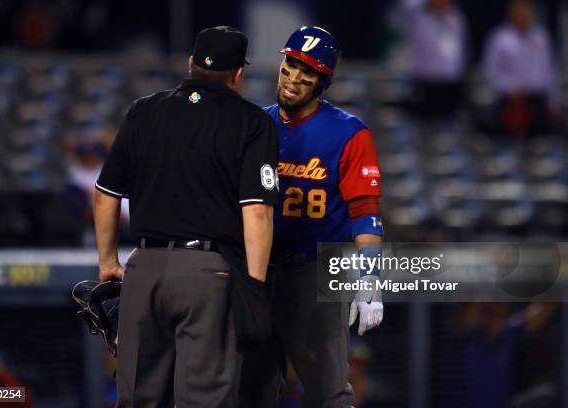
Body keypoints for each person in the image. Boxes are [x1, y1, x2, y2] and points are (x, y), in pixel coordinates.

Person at [93, 26, 279, 407]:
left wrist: (108, 262)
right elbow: (257, 211)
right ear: (238, 74)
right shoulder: (252, 122)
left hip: (143, 269)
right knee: (203, 400)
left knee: (138, 399)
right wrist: (255, 288)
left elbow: (105, 195)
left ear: (191, 63)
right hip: (207, 276)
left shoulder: (143, 110)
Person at [240, 26, 384, 407]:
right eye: (290, 65)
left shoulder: (349, 133)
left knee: (329, 395)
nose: (293, 78)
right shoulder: (257, 124)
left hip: (316, 275)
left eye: (308, 72)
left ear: (324, 82)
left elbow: (365, 215)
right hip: (258, 271)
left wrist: (370, 278)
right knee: (248, 393)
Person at [482, 0, 560, 137]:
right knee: (509, 145)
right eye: (519, 9)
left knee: (540, 144)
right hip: (511, 100)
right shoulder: (500, 38)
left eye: (526, 9)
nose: (523, 13)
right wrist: (508, 87)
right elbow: (491, 72)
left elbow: (549, 71)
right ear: (511, 12)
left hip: (538, 100)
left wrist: (553, 101)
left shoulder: (542, 36)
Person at [398, 0, 469, 118]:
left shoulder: (456, 17)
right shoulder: (416, 15)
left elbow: (460, 51)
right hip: (425, 83)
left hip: (452, 84)